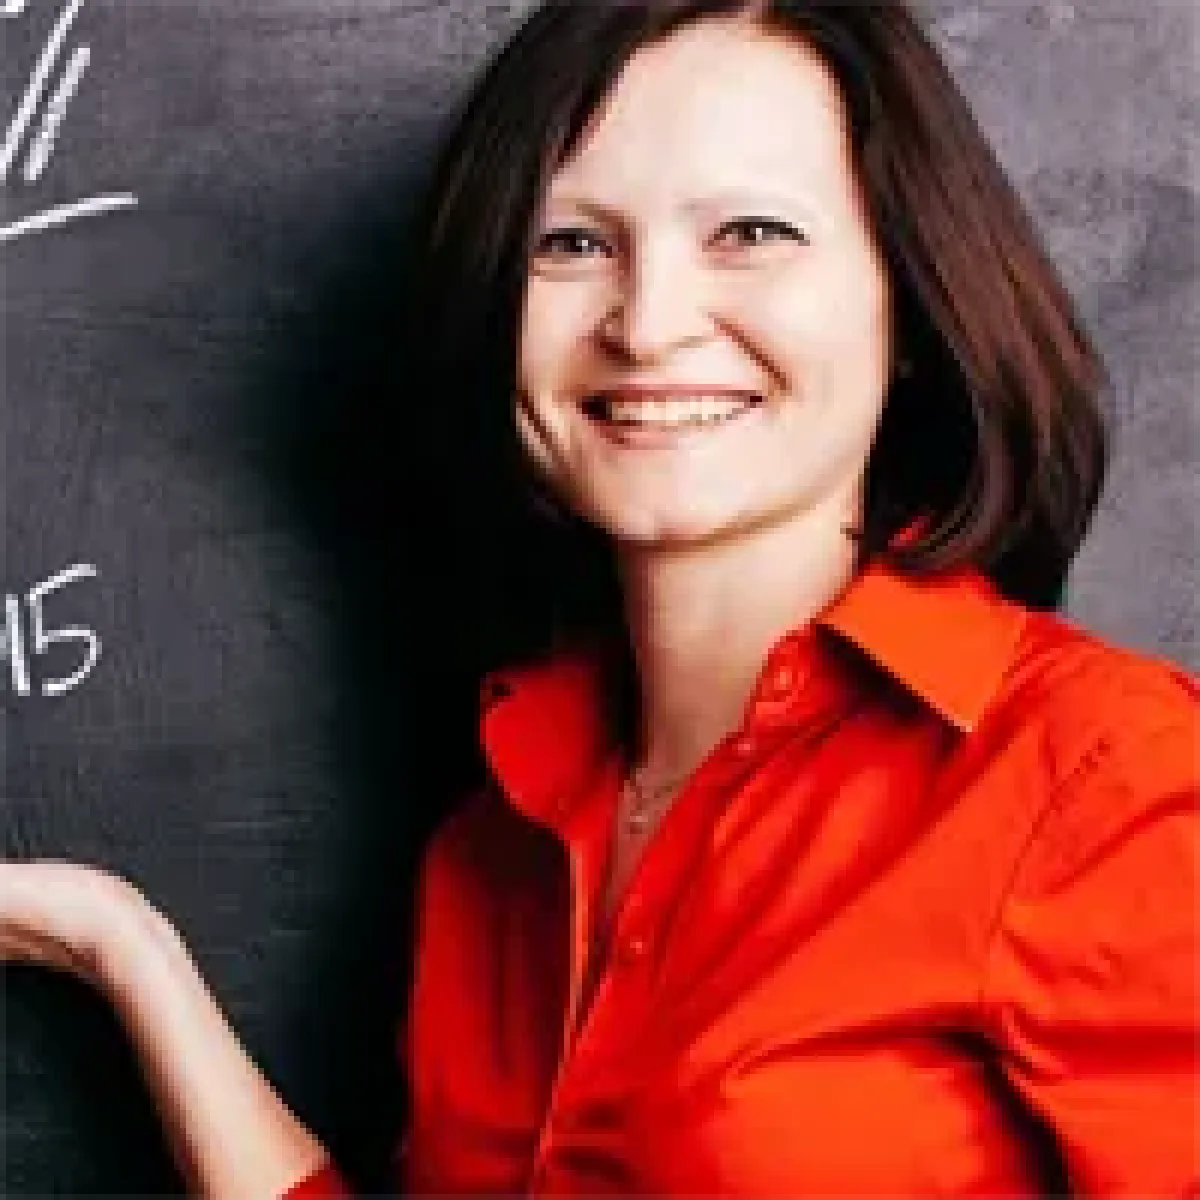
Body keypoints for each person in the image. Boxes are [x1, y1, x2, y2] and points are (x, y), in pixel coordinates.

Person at [2, 0, 1198, 1195]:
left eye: (751, 232)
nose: (649, 324)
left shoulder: (1101, 776)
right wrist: (120, 948)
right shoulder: (502, 834)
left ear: (911, 305)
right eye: (572, 243)